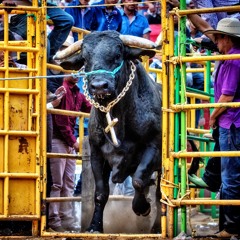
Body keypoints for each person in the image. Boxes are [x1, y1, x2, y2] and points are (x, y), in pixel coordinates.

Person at [184, 15, 240, 238]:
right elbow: (206, 30)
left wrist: (213, 117)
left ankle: (232, 227)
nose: (215, 43)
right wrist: (188, 12)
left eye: (217, 39)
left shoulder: (233, 60)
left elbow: (226, 97)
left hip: (231, 123)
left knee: (231, 176)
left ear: (226, 39)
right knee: (223, 173)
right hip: (230, 123)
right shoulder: (229, 55)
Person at [48, 74, 91, 232]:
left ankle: (65, 219)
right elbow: (61, 121)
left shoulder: (77, 93)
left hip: (66, 141)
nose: (76, 73)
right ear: (64, 71)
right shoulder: (65, 91)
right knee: (59, 183)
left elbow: (89, 107)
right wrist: (73, 141)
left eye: (78, 69)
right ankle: (55, 219)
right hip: (60, 140)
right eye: (72, 69)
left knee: (67, 183)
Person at [5, 0, 74, 63]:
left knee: (67, 20)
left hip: (41, 4)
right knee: (42, 40)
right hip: (21, 7)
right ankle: (32, 59)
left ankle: (47, 56)